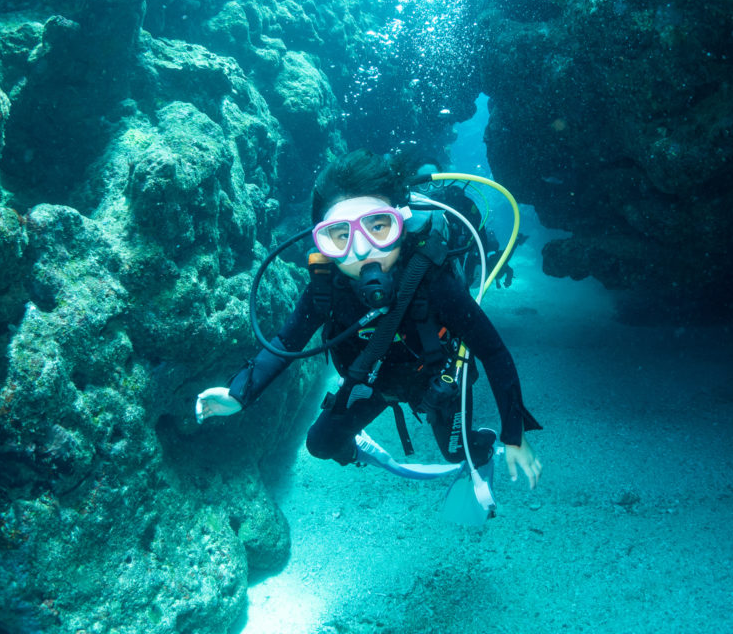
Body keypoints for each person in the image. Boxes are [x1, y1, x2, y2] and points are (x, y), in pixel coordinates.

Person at [196, 150, 542, 503]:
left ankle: (481, 450)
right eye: (339, 235)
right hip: (370, 381)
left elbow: (493, 352)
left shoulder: (431, 281)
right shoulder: (325, 286)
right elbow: (287, 341)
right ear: (321, 240)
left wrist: (514, 434)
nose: (362, 250)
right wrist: (239, 393)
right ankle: (360, 449)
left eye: (379, 226)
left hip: (434, 383)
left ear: (401, 224)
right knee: (320, 445)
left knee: (457, 453)